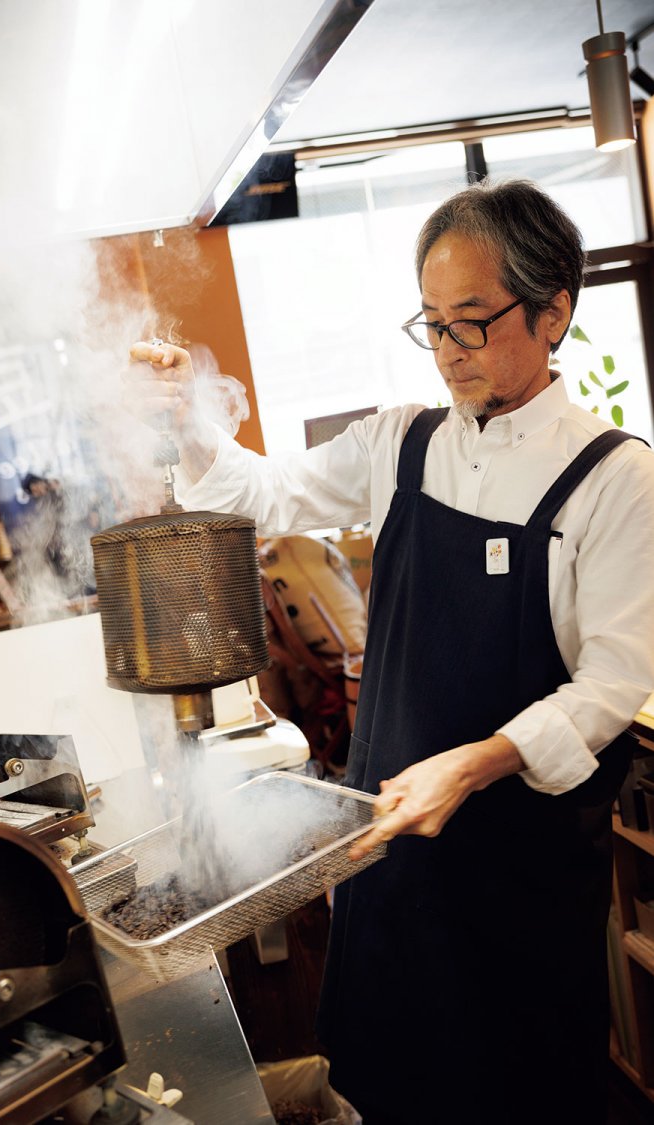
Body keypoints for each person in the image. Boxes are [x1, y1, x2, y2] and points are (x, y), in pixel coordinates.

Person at [123, 179, 654, 1125]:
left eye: (473, 322)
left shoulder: (615, 478)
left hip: (519, 883)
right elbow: (261, 493)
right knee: (386, 1086)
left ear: (553, 312)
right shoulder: (403, 442)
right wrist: (186, 421)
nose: (449, 350)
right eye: (432, 324)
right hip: (392, 863)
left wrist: (475, 763)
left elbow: (614, 683)